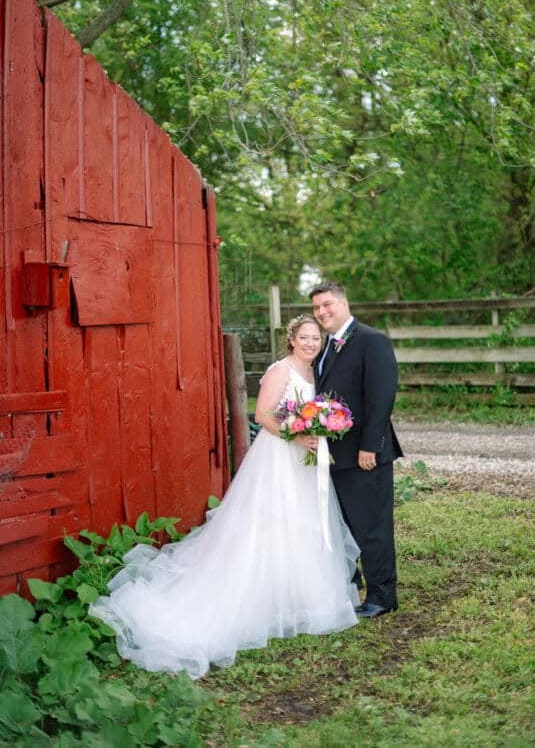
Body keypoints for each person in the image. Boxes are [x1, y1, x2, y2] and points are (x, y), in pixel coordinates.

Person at [90, 315, 359, 679]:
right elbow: (263, 415)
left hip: (305, 461)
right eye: (305, 337)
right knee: (271, 521)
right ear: (291, 339)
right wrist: (297, 436)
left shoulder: (315, 373)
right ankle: (256, 597)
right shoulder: (281, 370)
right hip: (279, 456)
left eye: (316, 338)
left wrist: (320, 428)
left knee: (304, 520)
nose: (311, 343)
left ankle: (296, 598)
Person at [310, 281, 403, 618]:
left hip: (365, 455)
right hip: (335, 455)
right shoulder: (325, 347)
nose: (322, 312)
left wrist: (370, 447)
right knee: (345, 525)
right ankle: (352, 586)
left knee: (372, 526)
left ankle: (381, 596)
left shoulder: (370, 341)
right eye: (317, 308)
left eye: (327, 305)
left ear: (344, 303)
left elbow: (381, 397)